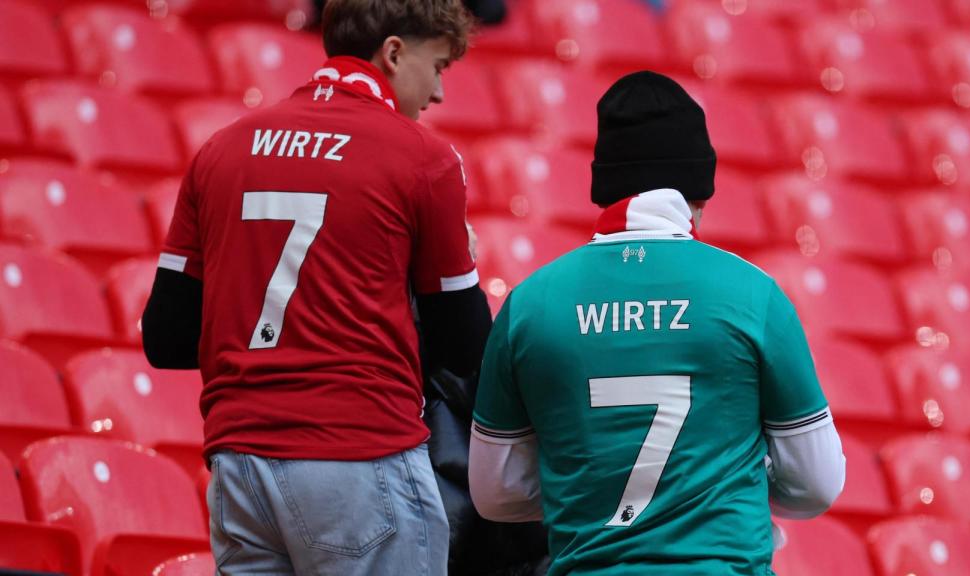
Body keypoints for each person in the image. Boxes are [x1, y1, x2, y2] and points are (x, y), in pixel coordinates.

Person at [142, 1, 490, 573]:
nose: (438, 94)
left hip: (239, 466)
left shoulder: (221, 149)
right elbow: (466, 348)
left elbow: (165, 338)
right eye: (438, 67)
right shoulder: (422, 157)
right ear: (393, 52)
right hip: (360, 457)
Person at [467, 71, 846, 575]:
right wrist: (722, 482)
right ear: (700, 194)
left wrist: (582, 485)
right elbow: (818, 483)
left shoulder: (529, 305)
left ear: (604, 189)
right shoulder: (754, 295)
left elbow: (494, 492)